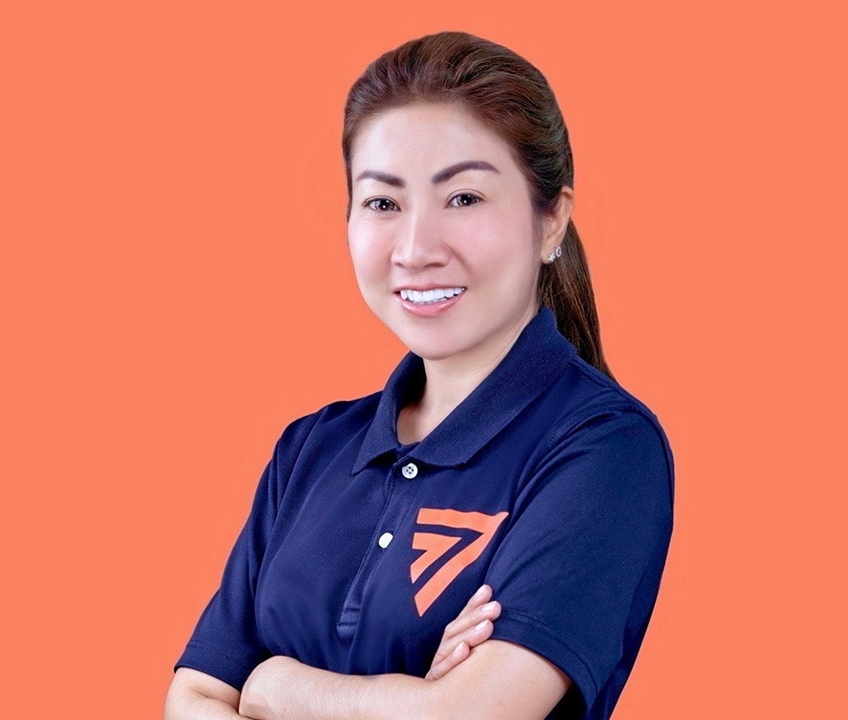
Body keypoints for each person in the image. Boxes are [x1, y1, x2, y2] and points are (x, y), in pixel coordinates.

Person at [164, 31, 674, 720]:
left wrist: (274, 687)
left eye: (463, 198)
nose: (415, 249)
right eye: (383, 203)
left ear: (551, 220)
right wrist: (409, 700)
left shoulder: (605, 448)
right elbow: (191, 697)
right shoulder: (311, 448)